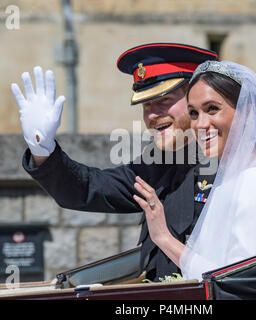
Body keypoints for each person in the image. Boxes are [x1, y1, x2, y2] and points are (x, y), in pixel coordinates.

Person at [11, 43, 218, 282]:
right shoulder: (157, 165)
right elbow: (89, 189)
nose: (152, 115)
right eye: (146, 104)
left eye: (164, 99)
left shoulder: (229, 161)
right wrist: (43, 149)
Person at [133, 60, 256, 281]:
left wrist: (164, 238)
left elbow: (237, 280)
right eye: (193, 113)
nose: (200, 124)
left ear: (248, 112)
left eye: (212, 109)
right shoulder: (229, 178)